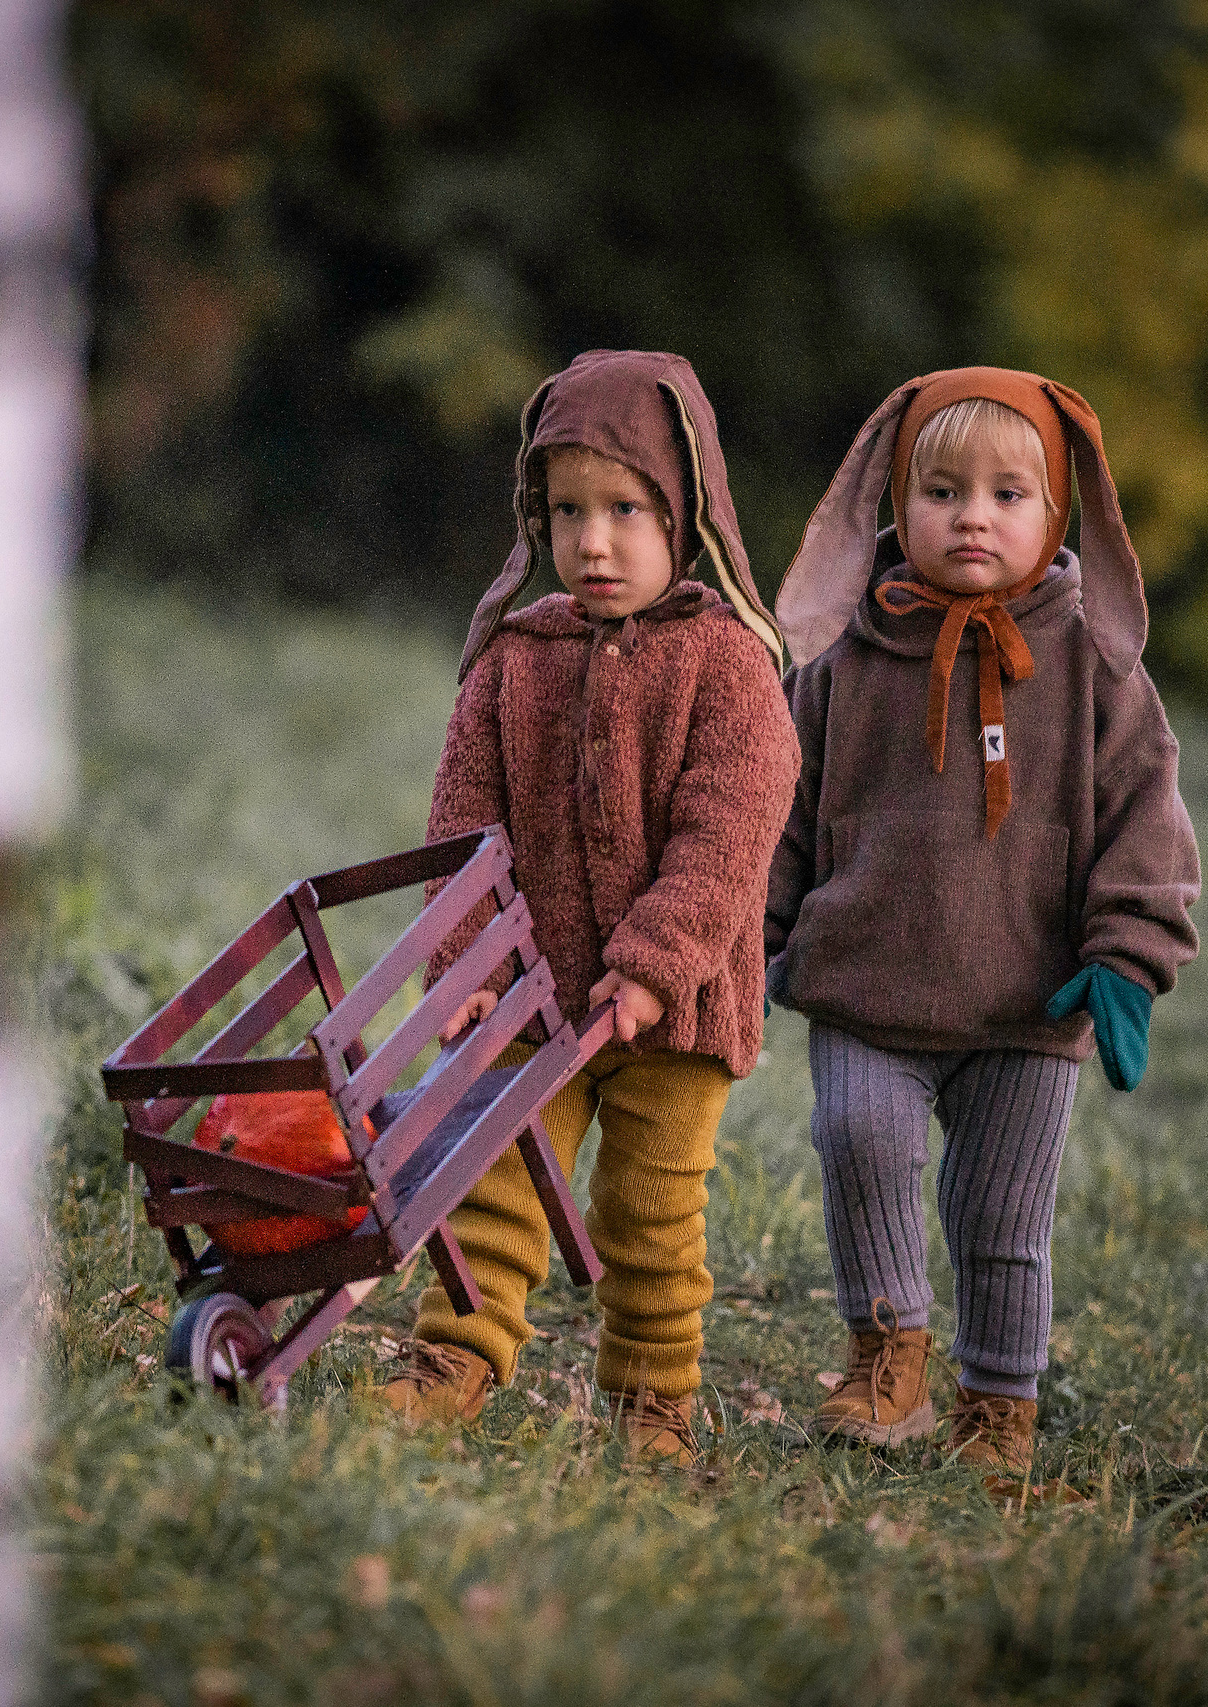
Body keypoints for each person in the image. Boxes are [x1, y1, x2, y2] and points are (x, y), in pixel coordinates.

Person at [763, 368, 1200, 1474]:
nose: (972, 516)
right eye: (942, 490)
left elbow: (1144, 816)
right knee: (856, 1144)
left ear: (1057, 515)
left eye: (1009, 495)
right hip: (867, 986)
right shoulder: (845, 656)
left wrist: (1127, 957)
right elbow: (775, 808)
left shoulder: (1092, 664)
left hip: (1026, 1004)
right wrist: (749, 933)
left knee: (1002, 1220)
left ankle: (997, 1404)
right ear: (892, 505)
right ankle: (886, 1352)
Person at [381, 350, 799, 1465]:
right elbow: (462, 830)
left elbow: (729, 837)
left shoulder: (729, 667)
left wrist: (655, 965)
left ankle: (651, 1398)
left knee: (648, 1215)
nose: (594, 540)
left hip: (674, 1015)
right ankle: (452, 1364)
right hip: (532, 1001)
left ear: (686, 511)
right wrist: (466, 964)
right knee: (493, 1178)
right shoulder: (516, 662)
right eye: (566, 510)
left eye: (624, 508)